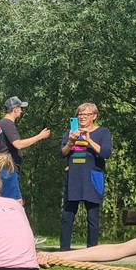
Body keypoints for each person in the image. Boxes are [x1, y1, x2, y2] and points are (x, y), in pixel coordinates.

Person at [59, 102, 111, 251]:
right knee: (67, 216)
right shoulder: (71, 132)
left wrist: (89, 140)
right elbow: (62, 154)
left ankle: (92, 250)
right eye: (79, 114)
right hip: (74, 178)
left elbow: (106, 153)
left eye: (85, 114)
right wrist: (70, 142)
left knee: (92, 217)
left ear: (94, 116)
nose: (82, 117)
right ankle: (64, 251)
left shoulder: (103, 133)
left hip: (92, 178)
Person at [0, 97, 51, 201]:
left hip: (0, 168)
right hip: (8, 168)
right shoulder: (8, 124)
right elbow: (18, 144)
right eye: (20, 108)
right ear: (15, 109)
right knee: (15, 203)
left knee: (6, 201)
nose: (22, 111)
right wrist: (39, 136)